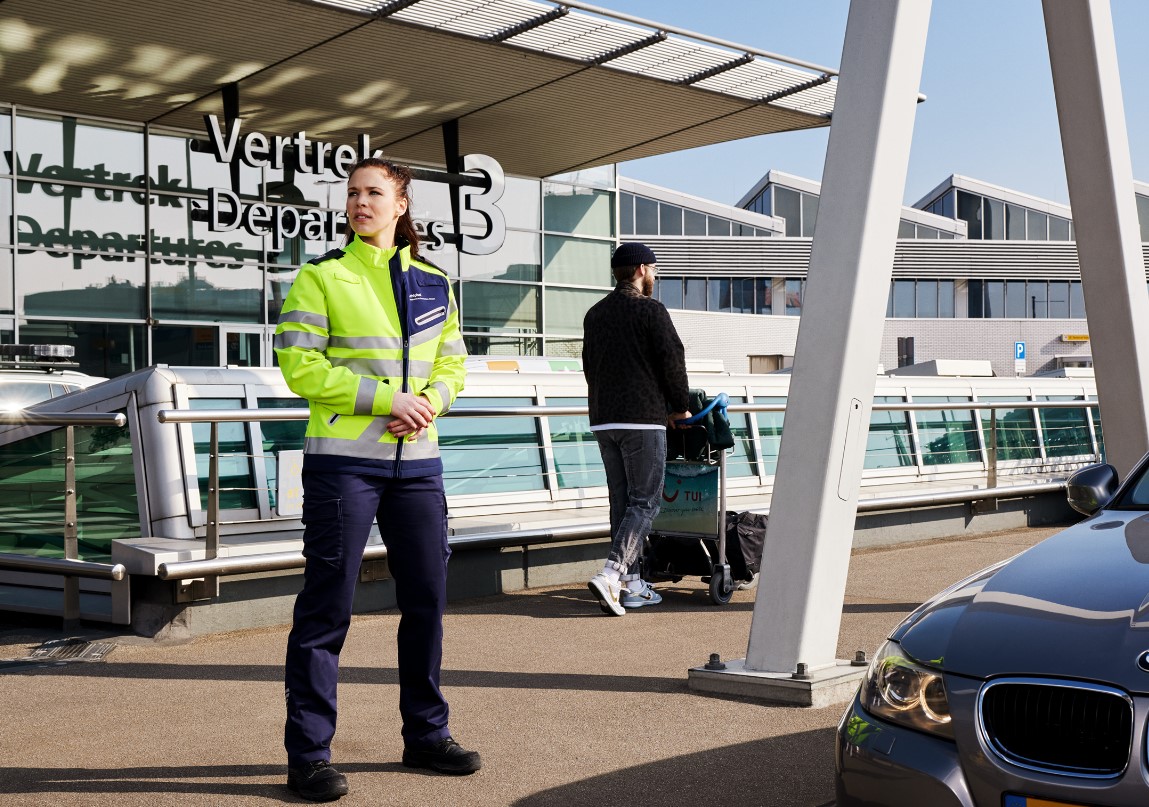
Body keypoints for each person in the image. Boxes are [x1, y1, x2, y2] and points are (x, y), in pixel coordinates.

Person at [274, 157, 478, 801]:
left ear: (400, 204)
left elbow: (453, 362)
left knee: (426, 603)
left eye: (373, 193)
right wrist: (385, 398)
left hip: (418, 466)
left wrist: (430, 404)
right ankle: (308, 755)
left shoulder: (432, 281)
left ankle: (426, 737)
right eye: (352, 194)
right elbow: (299, 366)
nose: (360, 203)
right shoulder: (321, 278)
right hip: (342, 465)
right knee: (327, 605)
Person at [582, 242, 691, 616]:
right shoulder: (651, 310)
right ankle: (612, 574)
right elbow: (672, 362)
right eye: (655, 270)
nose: (656, 277)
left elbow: (588, 366)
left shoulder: (595, 315)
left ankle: (632, 585)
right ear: (642, 269)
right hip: (641, 419)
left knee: (622, 503)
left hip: (604, 418)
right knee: (645, 501)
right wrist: (679, 407)